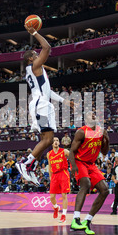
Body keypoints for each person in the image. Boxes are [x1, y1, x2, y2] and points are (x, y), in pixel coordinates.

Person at [16, 24, 73, 185]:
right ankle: (25, 163)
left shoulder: (36, 71)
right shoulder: (34, 66)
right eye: (35, 54)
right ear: (30, 58)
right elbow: (47, 48)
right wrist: (34, 32)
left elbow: (48, 92)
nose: (38, 54)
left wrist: (64, 101)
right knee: (48, 140)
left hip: (42, 103)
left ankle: (31, 167)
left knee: (45, 140)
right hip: (41, 105)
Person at [69, 111, 109, 235]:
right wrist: (73, 166)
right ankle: (75, 219)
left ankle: (87, 221)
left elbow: (104, 152)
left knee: (105, 190)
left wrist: (106, 140)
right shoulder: (81, 132)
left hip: (91, 164)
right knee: (85, 184)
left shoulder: (101, 131)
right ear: (85, 119)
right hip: (79, 161)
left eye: (94, 114)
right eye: (89, 114)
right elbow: (71, 151)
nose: (93, 115)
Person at [47, 137, 70, 223]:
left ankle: (63, 215)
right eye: (54, 141)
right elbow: (49, 166)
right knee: (52, 197)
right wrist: (50, 176)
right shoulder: (49, 154)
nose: (56, 142)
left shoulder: (64, 151)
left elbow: (73, 157)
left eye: (57, 140)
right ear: (52, 144)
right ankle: (56, 207)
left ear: (59, 142)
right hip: (54, 175)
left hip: (63, 173)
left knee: (64, 195)